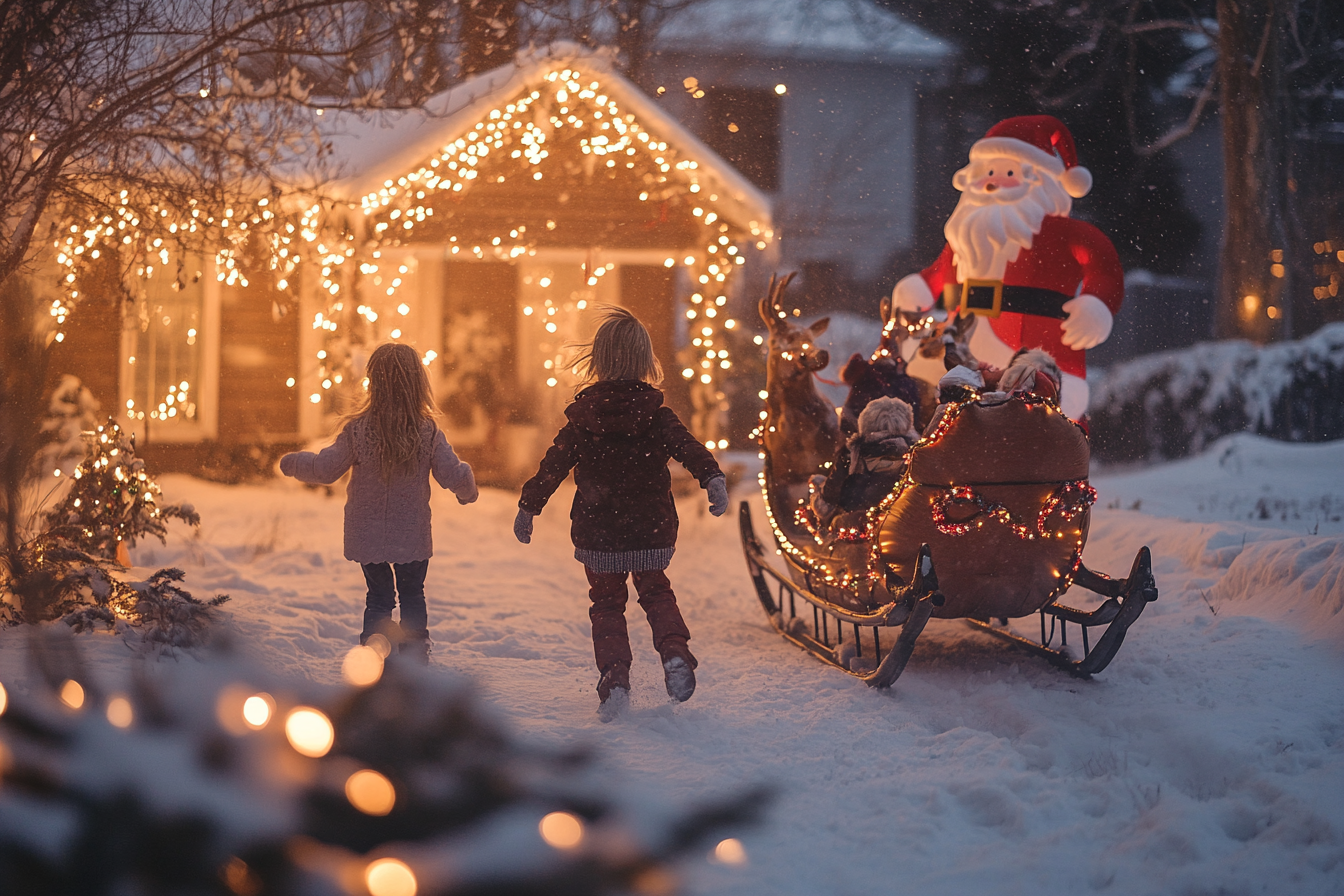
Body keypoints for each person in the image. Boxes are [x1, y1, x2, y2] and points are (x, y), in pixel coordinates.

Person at [513, 307, 728, 716]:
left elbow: (552, 465)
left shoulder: (582, 419)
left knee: (607, 604)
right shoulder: (658, 416)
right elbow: (690, 449)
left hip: (600, 530)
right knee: (656, 591)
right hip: (650, 527)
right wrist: (712, 478)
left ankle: (614, 676)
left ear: (597, 361)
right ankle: (675, 652)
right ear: (645, 360)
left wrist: (529, 505)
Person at [890, 115, 1123, 420]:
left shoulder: (1064, 235)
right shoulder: (967, 237)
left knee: (1037, 418)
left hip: (1037, 352)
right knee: (927, 388)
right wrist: (919, 288)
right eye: (986, 172)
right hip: (959, 349)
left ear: (1040, 180)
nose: (991, 182)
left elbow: (1103, 266)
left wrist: (1097, 303)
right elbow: (940, 273)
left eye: (1008, 172)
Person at [279, 342, 478, 662]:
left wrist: (294, 463)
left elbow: (327, 469)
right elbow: (451, 473)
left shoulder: (359, 430)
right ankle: (414, 656)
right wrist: (467, 489)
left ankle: (374, 656)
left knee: (379, 597)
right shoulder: (426, 431)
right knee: (413, 594)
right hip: (410, 534)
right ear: (418, 383)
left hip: (368, 533)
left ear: (374, 381)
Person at [811, 397, 920, 525]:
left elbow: (828, 500)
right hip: (904, 524)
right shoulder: (917, 455)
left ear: (865, 423)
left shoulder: (852, 454)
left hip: (860, 525)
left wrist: (817, 494)